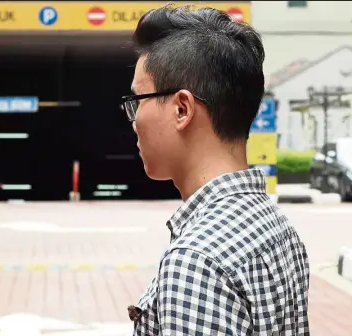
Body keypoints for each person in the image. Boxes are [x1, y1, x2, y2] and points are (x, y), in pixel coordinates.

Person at [123, 5, 309, 335]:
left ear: (182, 108)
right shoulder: (276, 224)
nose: (134, 120)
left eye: (138, 101)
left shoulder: (196, 259)